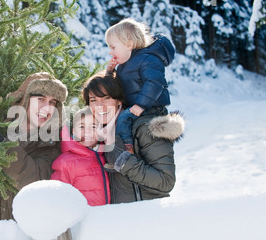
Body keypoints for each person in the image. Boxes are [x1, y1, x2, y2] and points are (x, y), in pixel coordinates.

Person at [0, 72, 68, 226]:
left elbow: (31, 179)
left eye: (52, 102)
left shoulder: (51, 144)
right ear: (24, 99)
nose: (46, 108)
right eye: (41, 99)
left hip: (17, 239)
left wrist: (0, 143)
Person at [83, 70, 185, 203]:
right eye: (93, 100)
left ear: (119, 101)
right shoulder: (100, 135)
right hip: (121, 218)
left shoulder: (144, 128)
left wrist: (124, 161)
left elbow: (165, 181)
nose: (100, 106)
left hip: (148, 215)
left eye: (106, 98)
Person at [105, 18, 175, 154]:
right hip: (137, 107)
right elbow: (117, 87)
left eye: (113, 47)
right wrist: (110, 72)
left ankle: (127, 151)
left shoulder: (148, 59)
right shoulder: (124, 66)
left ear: (129, 44)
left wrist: (141, 104)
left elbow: (154, 82)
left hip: (152, 108)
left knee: (123, 120)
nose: (110, 52)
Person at [51, 107, 110, 206]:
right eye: (82, 127)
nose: (87, 131)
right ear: (73, 131)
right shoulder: (65, 162)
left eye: (93, 127)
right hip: (82, 218)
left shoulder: (106, 156)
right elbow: (58, 197)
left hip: (106, 217)